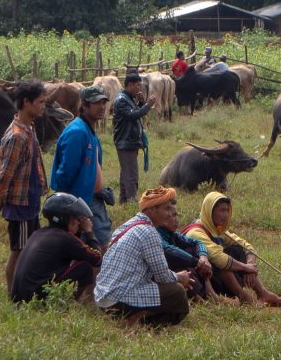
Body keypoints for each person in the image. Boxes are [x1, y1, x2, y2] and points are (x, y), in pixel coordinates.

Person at [95, 187, 195, 326]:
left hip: (102, 298)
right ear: (152, 209)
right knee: (177, 292)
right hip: (118, 299)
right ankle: (136, 319)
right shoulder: (149, 232)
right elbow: (163, 277)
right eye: (166, 209)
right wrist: (180, 277)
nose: (170, 214)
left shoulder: (127, 225)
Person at [0, 80, 49, 294]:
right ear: (26, 102)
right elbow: (5, 174)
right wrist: (1, 200)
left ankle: (25, 288)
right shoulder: (17, 136)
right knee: (19, 251)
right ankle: (13, 292)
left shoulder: (28, 129)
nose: (44, 105)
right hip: (20, 204)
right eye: (41, 101)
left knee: (29, 248)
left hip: (29, 200)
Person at [183, 192, 281, 307]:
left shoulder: (216, 229)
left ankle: (262, 292)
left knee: (238, 249)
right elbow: (220, 259)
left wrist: (250, 264)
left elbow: (246, 246)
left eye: (227, 210)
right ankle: (243, 296)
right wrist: (245, 267)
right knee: (221, 260)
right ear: (210, 211)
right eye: (222, 211)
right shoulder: (195, 232)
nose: (226, 215)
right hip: (200, 280)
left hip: (217, 278)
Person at [51, 86, 114, 248]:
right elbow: (65, 172)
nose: (101, 107)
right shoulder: (77, 132)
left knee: (93, 247)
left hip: (92, 198)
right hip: (81, 200)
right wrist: (68, 204)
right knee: (101, 246)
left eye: (103, 102)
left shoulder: (88, 130)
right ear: (84, 106)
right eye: (96, 103)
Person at [11, 193, 103, 304]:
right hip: (37, 300)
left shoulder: (39, 233)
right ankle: (65, 304)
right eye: (75, 217)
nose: (78, 222)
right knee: (85, 267)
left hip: (20, 298)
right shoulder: (66, 239)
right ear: (64, 218)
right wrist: (89, 232)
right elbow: (97, 258)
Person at [112, 73, 157, 204]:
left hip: (129, 141)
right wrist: (147, 105)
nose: (139, 88)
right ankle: (132, 202)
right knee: (131, 175)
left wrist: (142, 102)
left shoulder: (128, 98)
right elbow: (133, 115)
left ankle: (124, 201)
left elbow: (135, 112)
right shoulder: (121, 100)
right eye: (137, 85)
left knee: (125, 173)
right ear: (130, 85)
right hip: (125, 142)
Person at [157, 201, 214, 300]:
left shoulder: (172, 234)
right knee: (178, 261)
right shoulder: (155, 235)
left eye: (176, 216)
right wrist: (197, 262)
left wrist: (203, 257)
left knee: (194, 252)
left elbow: (198, 243)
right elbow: (170, 251)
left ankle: (210, 293)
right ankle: (200, 298)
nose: (176, 220)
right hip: (161, 279)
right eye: (172, 216)